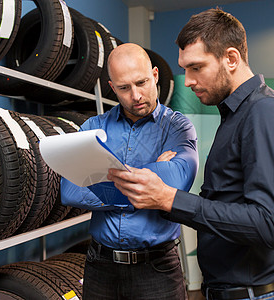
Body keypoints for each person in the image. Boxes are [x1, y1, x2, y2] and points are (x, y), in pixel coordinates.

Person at [107, 8, 274, 300]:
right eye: (184, 68)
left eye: (196, 68)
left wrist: (168, 198)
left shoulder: (266, 113)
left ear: (231, 59)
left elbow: (269, 224)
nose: (187, 80)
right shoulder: (237, 114)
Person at [60, 43, 199, 299]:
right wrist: (149, 182)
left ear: (155, 76)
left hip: (157, 268)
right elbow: (70, 190)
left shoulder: (178, 127)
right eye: (124, 88)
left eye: (142, 82)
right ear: (112, 88)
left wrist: (103, 179)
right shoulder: (93, 128)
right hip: (101, 265)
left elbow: (178, 181)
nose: (135, 95)